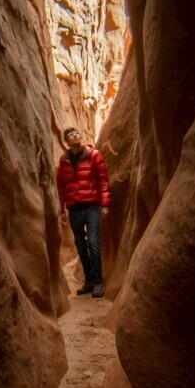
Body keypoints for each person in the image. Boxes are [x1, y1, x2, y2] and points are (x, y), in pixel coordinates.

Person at [55, 127, 110, 298]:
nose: (76, 135)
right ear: (66, 141)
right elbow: (61, 186)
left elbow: (103, 179)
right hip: (74, 209)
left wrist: (105, 204)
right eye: (71, 135)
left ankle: (99, 282)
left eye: (77, 133)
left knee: (93, 242)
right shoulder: (64, 161)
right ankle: (89, 280)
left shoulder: (94, 155)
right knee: (80, 244)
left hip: (91, 206)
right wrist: (61, 209)